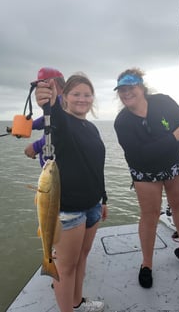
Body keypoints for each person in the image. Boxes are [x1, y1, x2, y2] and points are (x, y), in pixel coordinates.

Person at [113, 67, 179, 289]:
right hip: (145, 171)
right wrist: (174, 136)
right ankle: (147, 264)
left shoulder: (163, 101)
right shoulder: (121, 122)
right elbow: (139, 155)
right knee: (149, 215)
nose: (126, 93)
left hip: (177, 163)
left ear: (141, 87)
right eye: (122, 89)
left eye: (131, 87)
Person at [35, 72, 108, 312]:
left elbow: (96, 166)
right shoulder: (62, 124)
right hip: (68, 211)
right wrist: (49, 101)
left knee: (82, 259)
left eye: (87, 94)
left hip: (93, 207)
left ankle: (77, 303)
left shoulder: (92, 128)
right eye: (76, 94)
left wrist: (103, 199)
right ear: (64, 96)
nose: (82, 99)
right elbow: (55, 117)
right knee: (65, 269)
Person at [24, 67, 65, 167]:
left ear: (53, 83)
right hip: (50, 169)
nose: (40, 88)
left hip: (57, 170)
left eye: (42, 84)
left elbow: (59, 130)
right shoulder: (59, 101)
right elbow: (46, 121)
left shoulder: (65, 102)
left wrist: (36, 147)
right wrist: (28, 126)